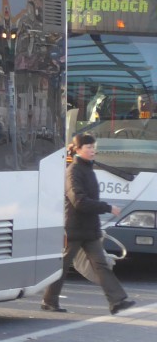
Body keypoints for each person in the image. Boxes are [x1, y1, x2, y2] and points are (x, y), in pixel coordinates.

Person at [41, 133, 137, 315]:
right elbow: (79, 201)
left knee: (101, 265)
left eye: (94, 147)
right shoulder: (73, 171)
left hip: (89, 228)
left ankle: (117, 301)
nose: (93, 150)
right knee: (63, 266)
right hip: (75, 228)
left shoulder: (87, 169)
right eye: (88, 147)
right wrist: (107, 207)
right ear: (77, 150)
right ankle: (49, 300)